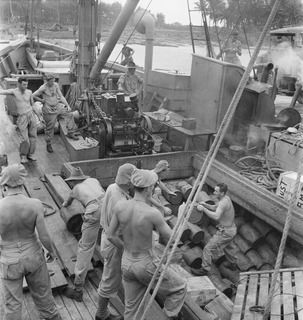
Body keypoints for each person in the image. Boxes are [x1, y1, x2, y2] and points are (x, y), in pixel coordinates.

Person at [108, 169, 187, 320]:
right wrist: (182, 218)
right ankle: (168, 316)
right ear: (150, 188)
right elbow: (173, 239)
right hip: (146, 264)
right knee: (180, 287)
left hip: (127, 262)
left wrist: (126, 250)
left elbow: (111, 235)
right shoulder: (152, 213)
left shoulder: (120, 206)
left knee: (131, 309)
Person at [0, 164, 61, 320]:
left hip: (10, 261)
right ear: (22, 180)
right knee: (45, 301)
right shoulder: (34, 204)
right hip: (34, 257)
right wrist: (52, 252)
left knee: (12, 307)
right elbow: (44, 236)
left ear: (4, 183)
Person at [96, 163, 136, 320]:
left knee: (113, 276)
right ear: (129, 180)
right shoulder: (121, 201)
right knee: (109, 280)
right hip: (114, 244)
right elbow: (114, 235)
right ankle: (101, 314)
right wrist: (128, 249)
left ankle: (104, 311)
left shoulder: (113, 187)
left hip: (107, 238)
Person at [62, 166, 105, 301]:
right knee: (111, 239)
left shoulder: (75, 189)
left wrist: (63, 207)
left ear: (73, 181)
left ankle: (78, 288)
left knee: (85, 248)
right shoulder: (93, 180)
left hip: (93, 211)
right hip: (109, 206)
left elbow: (66, 204)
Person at [192, 183, 237, 276]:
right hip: (232, 229)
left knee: (208, 249)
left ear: (222, 193)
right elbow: (215, 207)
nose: (213, 192)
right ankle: (233, 264)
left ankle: (204, 269)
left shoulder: (223, 202)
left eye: (216, 191)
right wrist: (205, 204)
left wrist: (203, 210)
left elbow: (216, 216)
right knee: (228, 247)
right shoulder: (226, 198)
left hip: (226, 232)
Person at [32, 73, 79, 153]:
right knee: (50, 127)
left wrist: (67, 105)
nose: (53, 82)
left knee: (69, 114)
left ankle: (70, 132)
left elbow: (61, 96)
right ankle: (49, 143)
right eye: (51, 81)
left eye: (54, 80)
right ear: (47, 81)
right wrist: (41, 100)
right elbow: (33, 95)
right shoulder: (43, 88)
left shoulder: (55, 85)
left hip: (57, 106)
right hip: (48, 109)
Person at [0, 77, 37, 164]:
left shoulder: (29, 92)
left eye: (27, 84)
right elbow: (2, 92)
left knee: (33, 136)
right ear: (19, 84)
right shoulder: (14, 92)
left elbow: (32, 104)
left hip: (31, 115)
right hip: (22, 117)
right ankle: (23, 156)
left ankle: (31, 154)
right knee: (24, 138)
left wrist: (38, 114)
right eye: (24, 84)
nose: (25, 86)